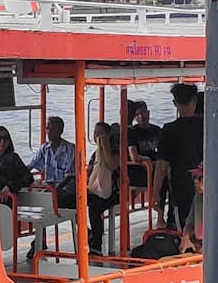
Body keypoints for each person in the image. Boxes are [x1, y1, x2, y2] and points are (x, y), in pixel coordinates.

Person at [157, 82, 205, 228]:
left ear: (174, 103)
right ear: (195, 101)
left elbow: (161, 166)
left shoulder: (169, 130)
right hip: (207, 185)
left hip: (181, 187)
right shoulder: (208, 127)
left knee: (183, 227)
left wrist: (155, 193)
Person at [27, 115, 78, 209]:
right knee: (25, 196)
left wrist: (54, 190)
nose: (48, 132)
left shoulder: (70, 148)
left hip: (65, 189)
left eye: (52, 129)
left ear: (60, 131)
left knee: (48, 199)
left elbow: (70, 176)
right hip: (49, 187)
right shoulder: (44, 148)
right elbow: (31, 165)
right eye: (47, 129)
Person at [86, 122, 119, 254]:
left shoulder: (115, 150)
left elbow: (112, 166)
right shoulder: (95, 153)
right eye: (95, 133)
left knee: (94, 207)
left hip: (114, 192)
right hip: (96, 190)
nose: (97, 136)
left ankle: (96, 244)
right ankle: (89, 233)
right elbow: (90, 170)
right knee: (75, 202)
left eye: (101, 134)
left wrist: (105, 146)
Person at [125, 101, 162, 194]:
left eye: (143, 112)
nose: (141, 116)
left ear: (148, 113)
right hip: (140, 170)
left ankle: (167, 205)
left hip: (155, 168)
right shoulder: (132, 132)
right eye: (137, 114)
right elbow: (134, 156)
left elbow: (164, 150)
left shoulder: (157, 130)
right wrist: (150, 161)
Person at [0, 126, 32, 202]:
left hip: (5, 200)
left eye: (5, 138)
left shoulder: (13, 158)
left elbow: (28, 178)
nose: (2, 141)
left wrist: (10, 187)